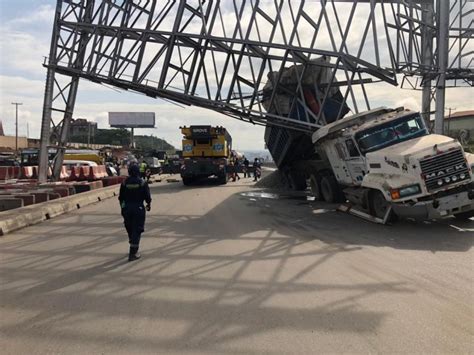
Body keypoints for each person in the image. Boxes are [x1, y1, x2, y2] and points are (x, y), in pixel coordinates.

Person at [119, 164, 152, 261]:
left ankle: (132, 244)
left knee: (129, 227)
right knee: (137, 229)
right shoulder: (142, 183)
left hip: (127, 209)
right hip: (138, 208)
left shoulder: (124, 183)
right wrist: (149, 204)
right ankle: (133, 253)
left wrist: (123, 208)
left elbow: (121, 198)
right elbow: (147, 197)